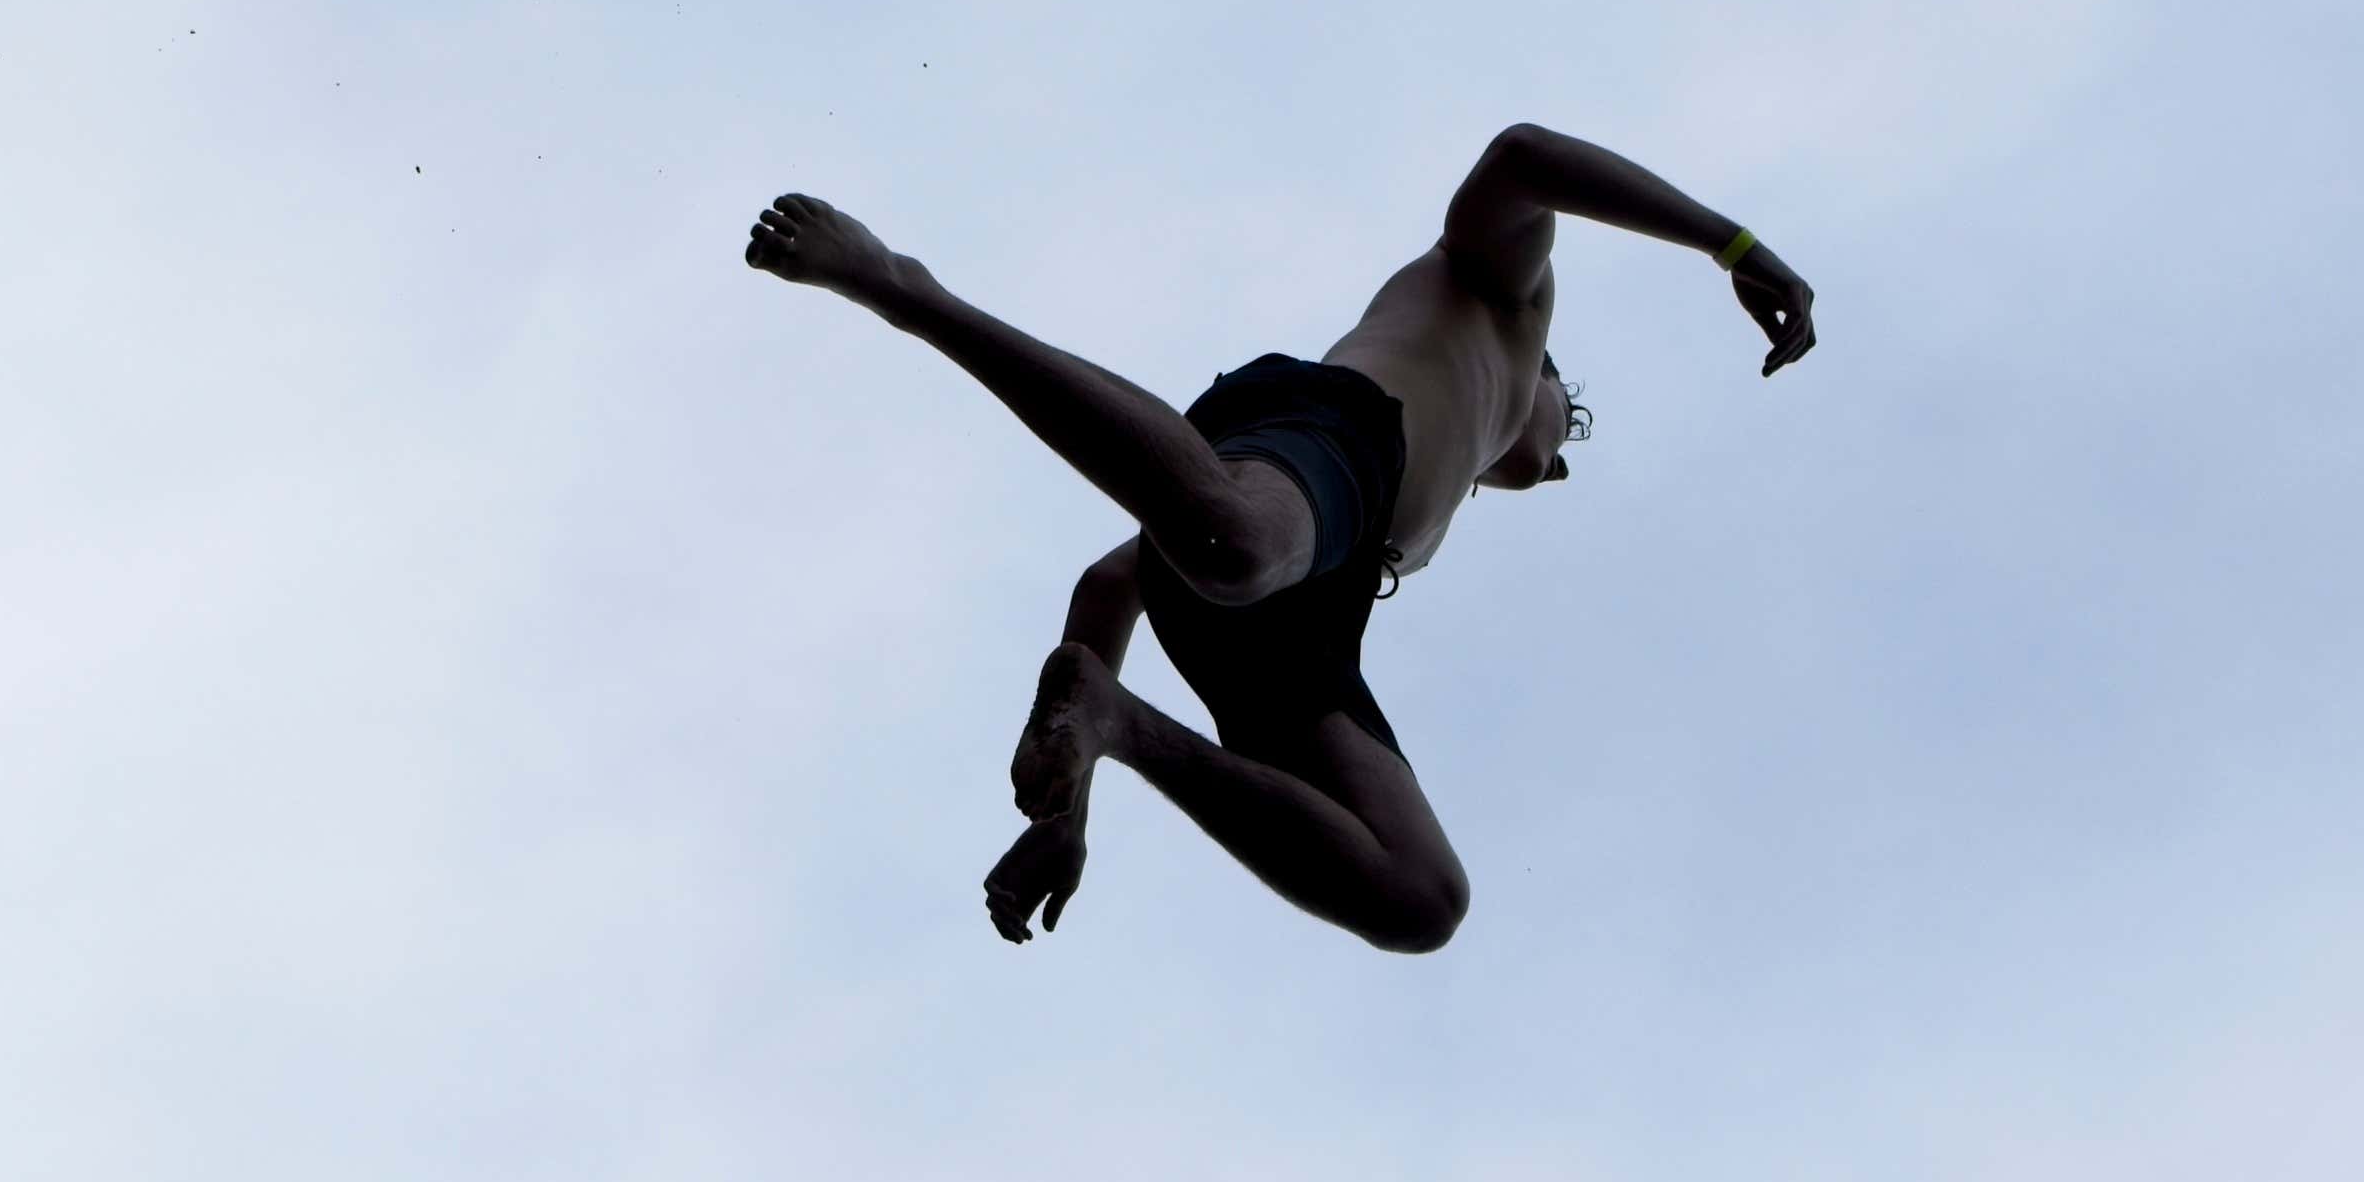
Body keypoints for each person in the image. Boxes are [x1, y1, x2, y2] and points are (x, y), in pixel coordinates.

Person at [743, 124, 1815, 951]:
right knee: (1239, 546)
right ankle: (910, 293)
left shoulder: (1430, 506)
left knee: (1420, 897)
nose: (1560, 454)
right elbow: (1521, 155)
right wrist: (1732, 244)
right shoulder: (1504, 305)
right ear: (1543, 378)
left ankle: (1126, 724)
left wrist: (1073, 808)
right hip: (1328, 437)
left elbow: (1114, 587)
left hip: (1315, 597)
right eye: (1565, 418)